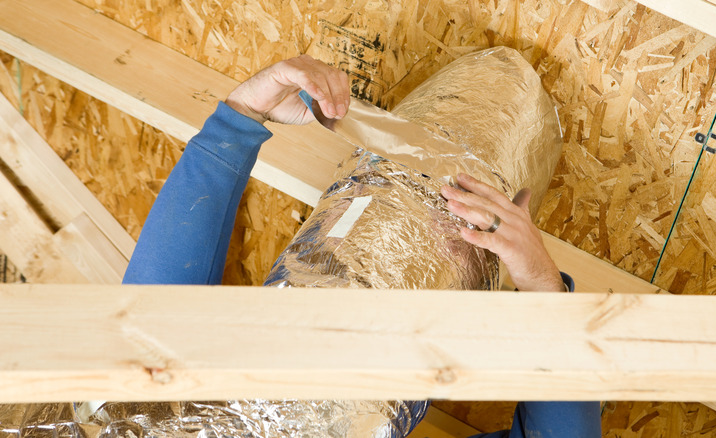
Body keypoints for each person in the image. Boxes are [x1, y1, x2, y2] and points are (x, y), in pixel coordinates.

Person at [123, 55, 601, 437]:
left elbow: (146, 323)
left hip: (382, 189)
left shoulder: (69, 416)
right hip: (472, 209)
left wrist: (240, 118)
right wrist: (544, 293)